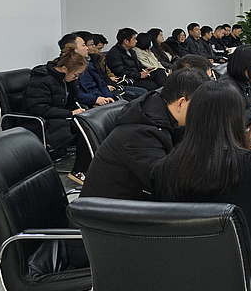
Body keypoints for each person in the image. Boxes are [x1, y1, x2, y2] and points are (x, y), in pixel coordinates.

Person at [152, 81, 251, 275]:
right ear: (236, 119)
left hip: (183, 276)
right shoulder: (250, 165)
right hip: (242, 276)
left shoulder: (164, 169)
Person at [80, 68, 209, 200]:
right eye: (201, 106)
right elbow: (170, 186)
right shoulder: (138, 134)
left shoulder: (163, 116)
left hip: (137, 200)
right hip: (111, 209)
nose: (203, 113)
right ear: (181, 103)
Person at [20, 45, 90, 182]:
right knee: (85, 129)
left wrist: (76, 111)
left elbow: (68, 102)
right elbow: (39, 109)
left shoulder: (64, 80)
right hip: (38, 122)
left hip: (56, 117)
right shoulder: (41, 80)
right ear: (64, 69)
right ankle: (79, 170)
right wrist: (69, 113)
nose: (76, 78)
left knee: (89, 124)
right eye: (75, 74)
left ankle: (88, 166)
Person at [72, 31, 116, 107]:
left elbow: (102, 83)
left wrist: (108, 97)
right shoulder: (68, 68)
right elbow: (74, 94)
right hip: (90, 103)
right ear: (73, 48)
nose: (87, 48)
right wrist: (95, 99)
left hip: (100, 98)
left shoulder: (89, 64)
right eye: (83, 45)